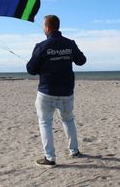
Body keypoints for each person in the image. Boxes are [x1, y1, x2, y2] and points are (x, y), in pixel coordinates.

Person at [26, 15, 87, 167]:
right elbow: (81, 60)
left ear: (47, 27)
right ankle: (74, 151)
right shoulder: (69, 44)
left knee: (45, 123)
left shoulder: (42, 46)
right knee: (68, 120)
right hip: (66, 91)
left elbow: (31, 69)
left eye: (43, 26)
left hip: (47, 92)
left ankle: (50, 158)